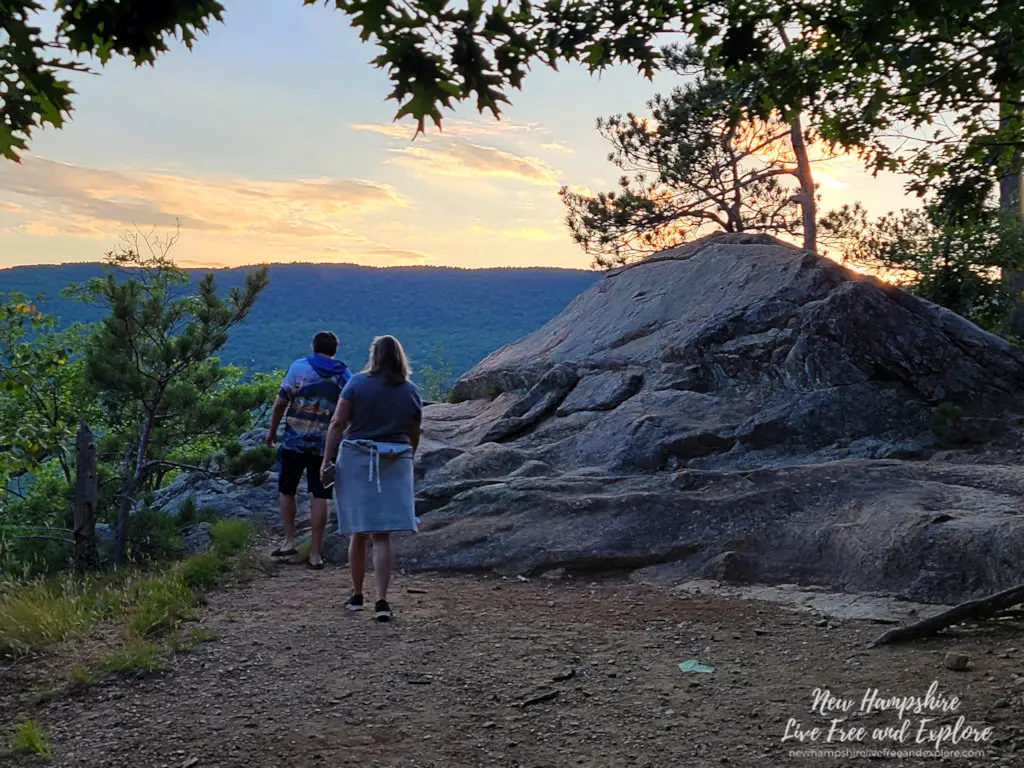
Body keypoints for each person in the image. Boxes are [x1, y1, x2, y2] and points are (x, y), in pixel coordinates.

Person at [321, 335, 422, 622]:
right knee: (383, 534)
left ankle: (356, 595)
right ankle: (382, 600)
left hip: (356, 457)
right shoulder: (410, 390)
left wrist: (327, 460)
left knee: (359, 530)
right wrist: (408, 456)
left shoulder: (356, 384)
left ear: (374, 355)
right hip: (395, 459)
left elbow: (338, 423)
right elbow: (414, 429)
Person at [266, 331, 351, 569]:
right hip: (326, 446)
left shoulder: (299, 368)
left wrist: (272, 431)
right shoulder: (344, 375)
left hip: (295, 440)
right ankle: (315, 552)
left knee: (287, 489)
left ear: (313, 347)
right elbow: (349, 409)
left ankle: (289, 540)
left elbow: (281, 401)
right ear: (335, 349)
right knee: (320, 495)